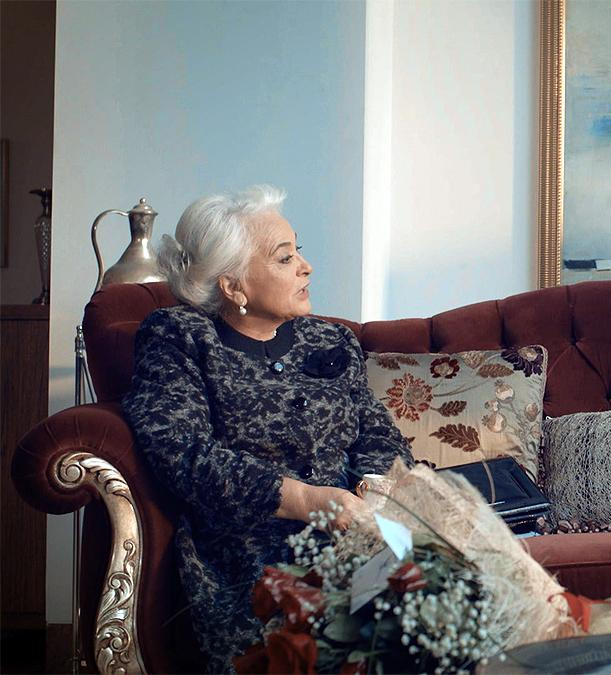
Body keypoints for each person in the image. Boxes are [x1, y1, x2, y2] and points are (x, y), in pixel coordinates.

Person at [122, 185, 413, 672]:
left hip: (361, 533)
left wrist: (374, 491)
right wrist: (306, 500)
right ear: (233, 286)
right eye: (285, 258)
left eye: (299, 251)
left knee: (443, 602)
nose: (306, 267)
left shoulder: (331, 339)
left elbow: (377, 432)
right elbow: (183, 454)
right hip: (248, 558)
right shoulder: (178, 338)